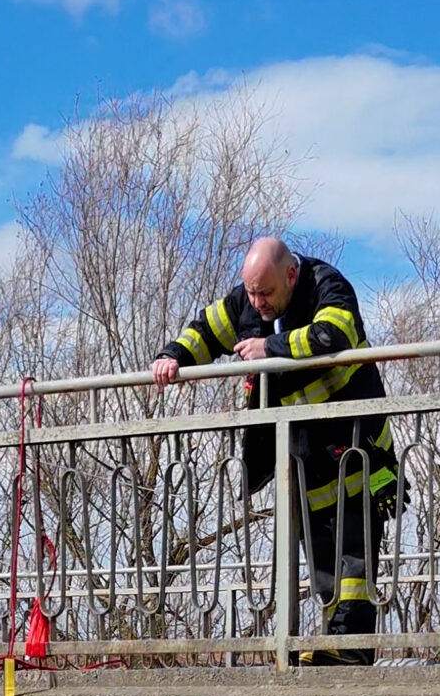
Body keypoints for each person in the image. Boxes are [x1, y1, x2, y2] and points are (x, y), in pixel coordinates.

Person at [152, 234, 399, 662]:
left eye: (265, 293)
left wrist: (269, 348)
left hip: (358, 447)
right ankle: (334, 648)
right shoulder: (248, 301)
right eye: (252, 292)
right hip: (306, 456)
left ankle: (351, 652)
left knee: (355, 554)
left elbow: (334, 334)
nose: (257, 302)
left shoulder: (327, 284)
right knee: (324, 561)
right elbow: (206, 331)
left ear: (290, 276)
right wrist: (173, 356)